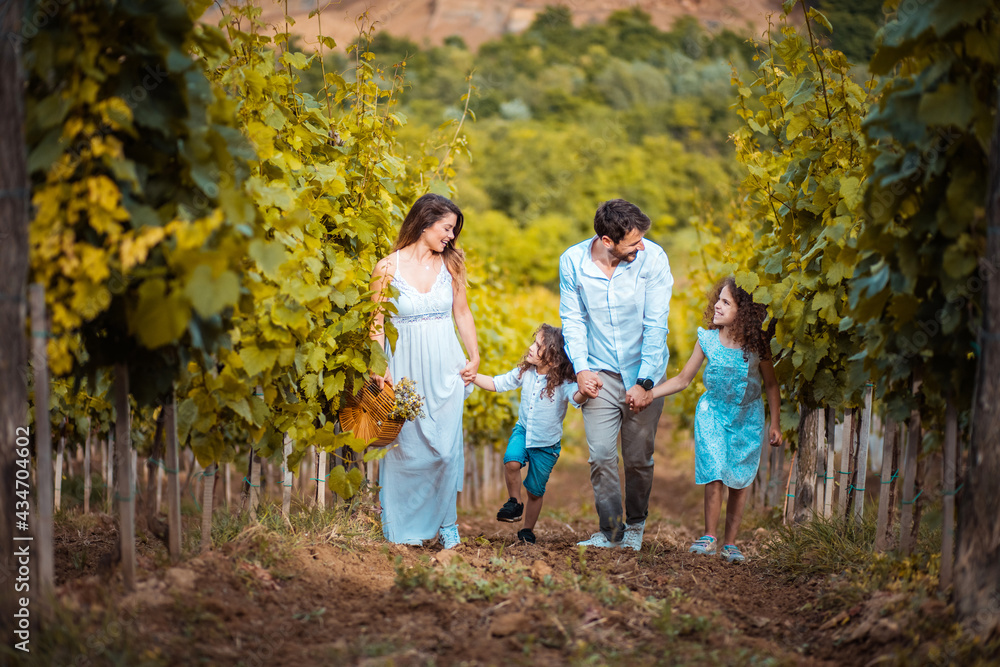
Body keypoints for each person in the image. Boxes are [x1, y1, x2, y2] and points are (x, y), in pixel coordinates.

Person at [559, 198, 673, 550]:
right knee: (601, 456)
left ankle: (636, 525)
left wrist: (646, 382)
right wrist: (580, 369)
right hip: (599, 371)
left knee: (639, 458)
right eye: (633, 242)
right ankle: (611, 531)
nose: (641, 246)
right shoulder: (572, 262)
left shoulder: (652, 259)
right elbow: (573, 321)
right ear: (608, 241)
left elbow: (656, 325)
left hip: (643, 370)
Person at [369, 193, 479, 549]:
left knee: (446, 449)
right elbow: (377, 323)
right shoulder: (387, 268)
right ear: (425, 222)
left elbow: (461, 312)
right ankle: (401, 527)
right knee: (407, 449)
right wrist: (378, 365)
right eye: (447, 228)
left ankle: (448, 523)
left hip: (446, 366)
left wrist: (473, 355)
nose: (450, 236)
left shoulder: (450, 265)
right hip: (404, 369)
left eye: (453, 230)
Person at [649, 277, 782, 563]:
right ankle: (709, 535)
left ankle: (731, 542)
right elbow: (683, 380)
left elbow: (771, 384)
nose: (717, 306)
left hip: (747, 415)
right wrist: (651, 393)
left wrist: (775, 423)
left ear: (743, 311)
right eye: (718, 300)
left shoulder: (758, 344)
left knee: (740, 477)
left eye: (725, 302)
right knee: (715, 470)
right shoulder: (707, 339)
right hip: (713, 412)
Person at [473, 324, 592, 544]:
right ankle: (514, 502)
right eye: (533, 342)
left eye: (538, 346)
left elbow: (576, 397)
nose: (530, 347)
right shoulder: (524, 372)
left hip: (546, 445)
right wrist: (472, 376)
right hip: (523, 430)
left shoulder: (563, 383)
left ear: (553, 357)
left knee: (536, 492)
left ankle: (527, 529)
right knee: (511, 462)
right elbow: (496, 383)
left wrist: (585, 392)